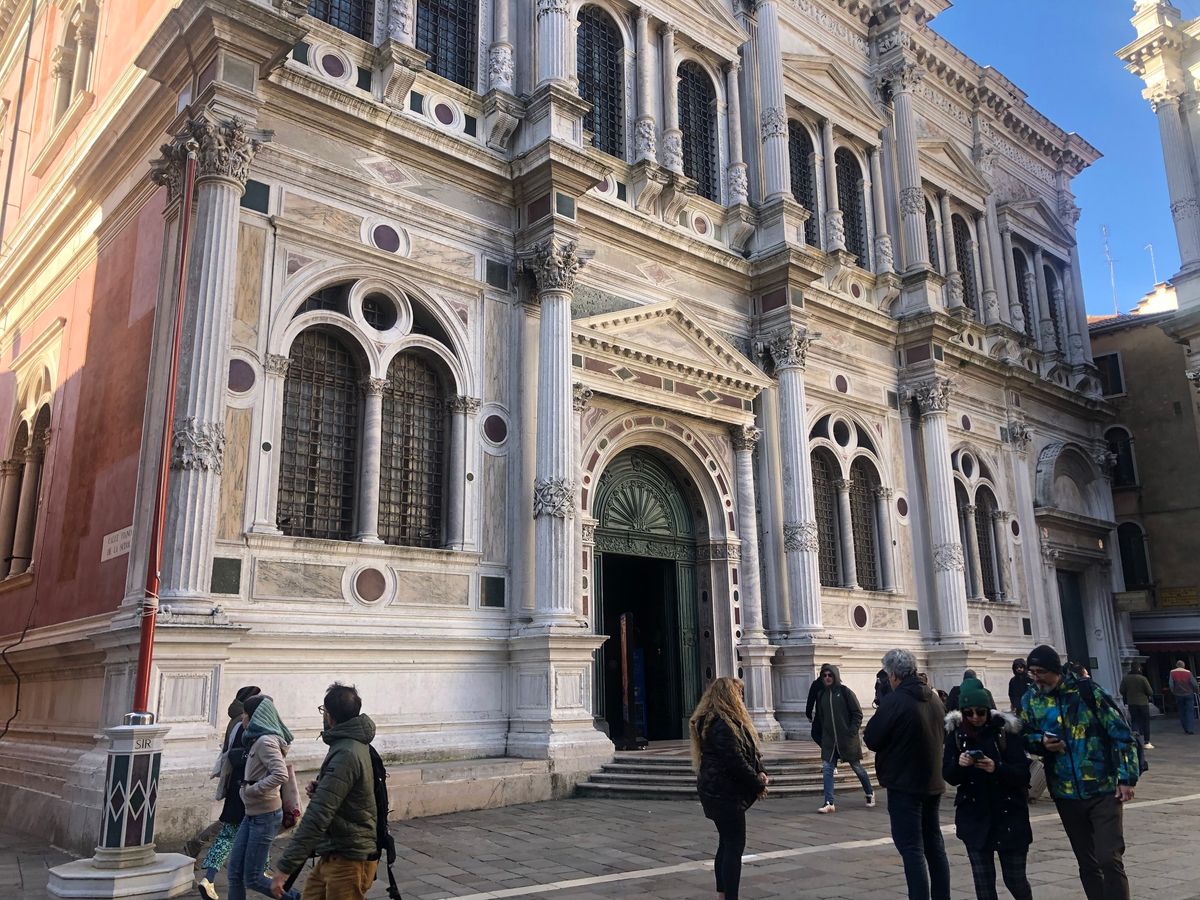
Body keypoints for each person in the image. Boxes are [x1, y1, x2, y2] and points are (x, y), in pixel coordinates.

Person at [1020, 644, 1139, 900]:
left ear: (1055, 670)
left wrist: (1127, 778)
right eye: (1032, 672)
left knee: (1109, 858)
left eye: (1040, 671)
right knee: (1087, 862)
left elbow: (1122, 735)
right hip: (1064, 791)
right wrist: (1041, 743)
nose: (1035, 677)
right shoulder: (1031, 700)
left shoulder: (1087, 692)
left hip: (1102, 788)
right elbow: (1025, 735)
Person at [272, 684, 379, 900]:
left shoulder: (347, 752)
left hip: (349, 858)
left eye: (324, 711)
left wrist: (284, 867)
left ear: (329, 716)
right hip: (334, 851)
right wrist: (323, 789)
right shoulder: (348, 745)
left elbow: (318, 816)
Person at [863, 649, 950, 900]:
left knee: (911, 849)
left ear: (893, 675)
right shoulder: (934, 699)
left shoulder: (896, 701)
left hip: (905, 785)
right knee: (934, 846)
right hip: (933, 782)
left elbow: (872, 738)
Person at [943, 678, 1033, 900]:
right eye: (969, 713)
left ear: (988, 710)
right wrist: (960, 765)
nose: (975, 717)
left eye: (980, 712)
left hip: (1009, 816)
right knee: (984, 887)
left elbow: (1023, 774)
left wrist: (996, 767)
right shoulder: (956, 735)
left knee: (1016, 881)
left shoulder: (1005, 732)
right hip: (975, 818)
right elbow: (950, 776)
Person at [688, 676, 768, 900]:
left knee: (726, 843)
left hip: (717, 792)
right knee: (734, 846)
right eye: (738, 693)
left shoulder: (718, 720)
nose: (741, 698)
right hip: (724, 794)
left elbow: (748, 750)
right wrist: (757, 782)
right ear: (727, 696)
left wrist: (760, 768)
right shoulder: (722, 725)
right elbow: (735, 761)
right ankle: (730, 896)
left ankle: (723, 894)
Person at [228, 695, 301, 900]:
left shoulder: (265, 741)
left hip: (265, 815)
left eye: (245, 715)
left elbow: (280, 774)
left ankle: (297, 898)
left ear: (255, 717)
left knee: (253, 878)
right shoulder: (256, 740)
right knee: (235, 872)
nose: (243, 718)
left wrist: (252, 790)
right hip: (252, 813)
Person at [196, 685, 262, 900]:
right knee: (246, 831)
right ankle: (211, 877)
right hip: (250, 787)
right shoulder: (250, 724)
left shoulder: (235, 722)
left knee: (250, 831)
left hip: (236, 785)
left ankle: (260, 870)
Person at [810, 663, 874, 813]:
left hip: (846, 739)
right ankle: (829, 802)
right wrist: (821, 735)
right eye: (824, 675)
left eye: (830, 675)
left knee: (857, 767)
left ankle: (869, 792)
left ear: (835, 676)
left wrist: (851, 731)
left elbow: (857, 713)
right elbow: (821, 717)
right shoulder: (822, 695)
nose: (827, 678)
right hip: (829, 740)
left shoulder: (845, 692)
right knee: (827, 769)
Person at [1119, 663, 1155, 749]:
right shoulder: (1142, 678)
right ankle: (1146, 742)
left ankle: (1135, 738)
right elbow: (1150, 691)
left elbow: (1122, 690)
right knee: (1145, 722)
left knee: (1134, 720)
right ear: (1139, 669)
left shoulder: (1126, 678)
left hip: (1132, 702)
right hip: (1143, 703)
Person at [1168, 659, 1198, 734]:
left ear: (1176, 665)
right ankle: (1190, 728)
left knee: (1181, 712)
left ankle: (1185, 728)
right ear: (1183, 665)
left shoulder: (1172, 672)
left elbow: (1171, 684)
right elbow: (1194, 683)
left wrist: (1173, 691)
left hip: (1178, 694)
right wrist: (1196, 690)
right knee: (1190, 711)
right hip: (1188, 693)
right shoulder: (1188, 672)